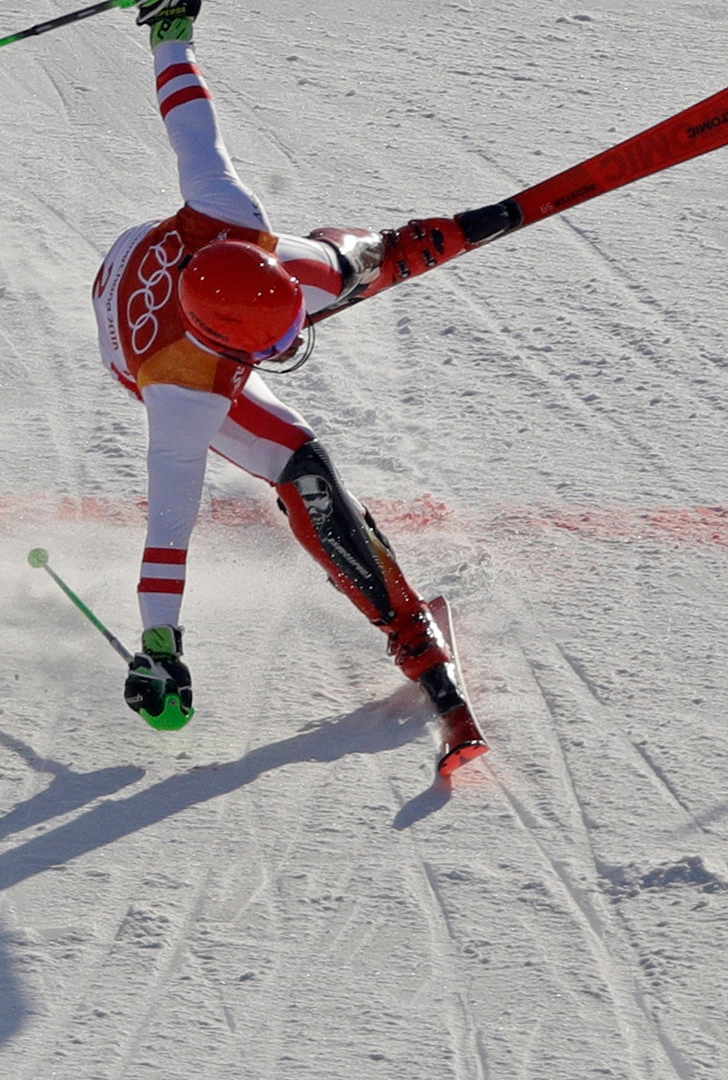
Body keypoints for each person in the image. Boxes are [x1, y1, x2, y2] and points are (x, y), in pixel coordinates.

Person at [93, 0, 486, 774]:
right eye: (275, 349)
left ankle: (367, 254)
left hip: (193, 259)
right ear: (235, 353)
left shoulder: (227, 211)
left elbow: (190, 118)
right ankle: (404, 626)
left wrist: (170, 29)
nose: (293, 346)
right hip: (137, 337)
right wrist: (158, 647)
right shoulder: (186, 396)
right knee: (304, 470)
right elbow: (167, 533)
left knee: (331, 273)